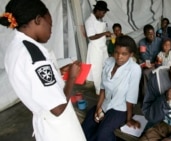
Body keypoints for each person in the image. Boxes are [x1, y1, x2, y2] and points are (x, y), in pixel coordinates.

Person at [0, 0, 86, 141]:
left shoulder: (15, 48)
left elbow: (34, 80)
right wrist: (71, 77)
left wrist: (56, 72)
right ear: (38, 20)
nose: (51, 32)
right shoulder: (34, 56)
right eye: (50, 25)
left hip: (45, 124)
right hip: (60, 129)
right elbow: (57, 108)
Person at [82, 35, 141, 141]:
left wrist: (128, 119)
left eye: (124, 54)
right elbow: (103, 88)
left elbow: (131, 98)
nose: (119, 57)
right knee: (86, 127)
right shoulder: (108, 62)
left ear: (131, 54)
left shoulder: (134, 69)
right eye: (117, 52)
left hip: (120, 108)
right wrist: (98, 108)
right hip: (105, 104)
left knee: (102, 134)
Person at [85, 0, 111, 95]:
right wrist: (104, 33)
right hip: (95, 49)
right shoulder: (89, 21)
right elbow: (91, 36)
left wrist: (106, 35)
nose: (103, 15)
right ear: (98, 11)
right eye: (103, 13)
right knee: (97, 70)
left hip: (102, 48)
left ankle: (105, 87)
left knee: (105, 67)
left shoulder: (100, 20)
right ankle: (98, 90)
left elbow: (100, 34)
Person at [138, 24, 162, 98]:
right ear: (145, 34)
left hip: (157, 63)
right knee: (145, 73)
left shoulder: (159, 41)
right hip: (147, 63)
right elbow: (143, 56)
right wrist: (149, 64)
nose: (152, 36)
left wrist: (156, 63)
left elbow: (162, 53)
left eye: (153, 33)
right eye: (149, 34)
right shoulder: (142, 43)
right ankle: (145, 96)